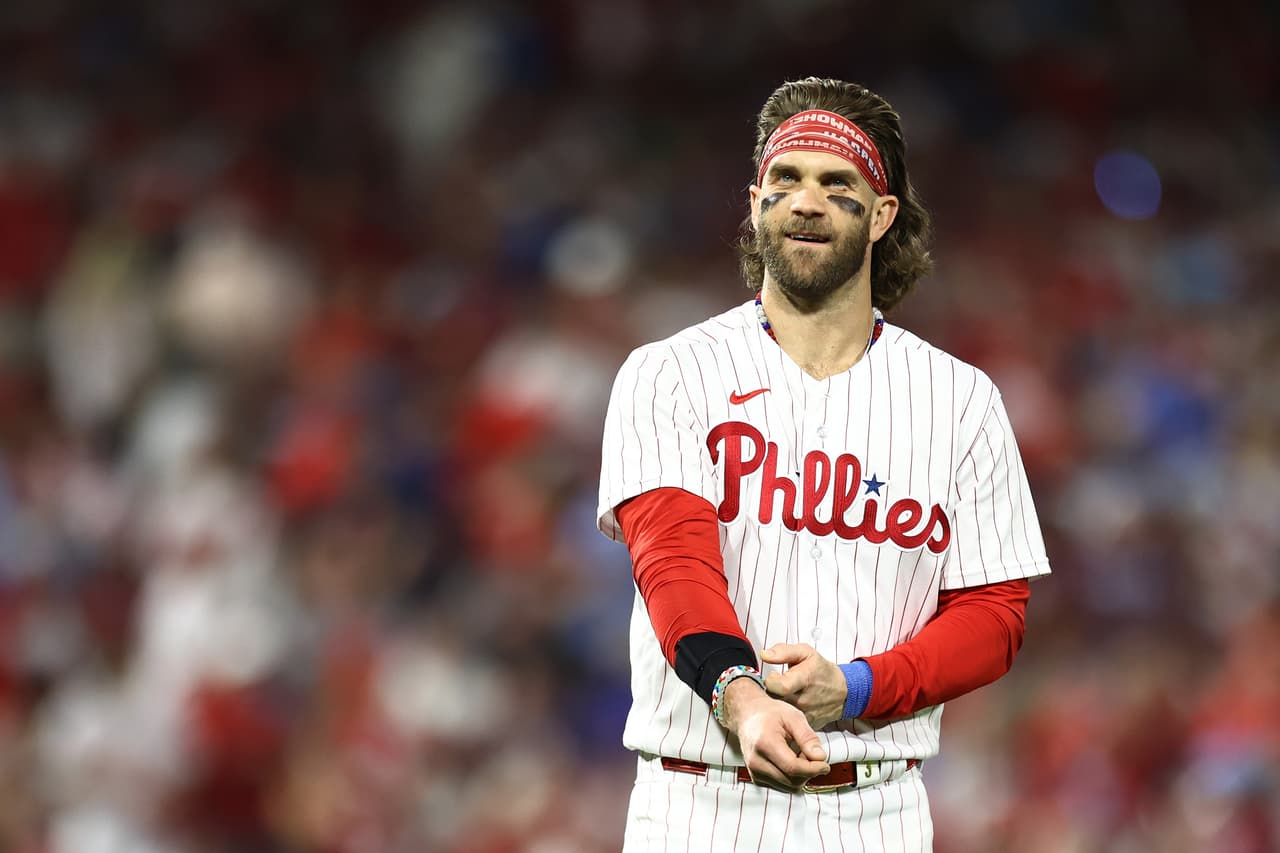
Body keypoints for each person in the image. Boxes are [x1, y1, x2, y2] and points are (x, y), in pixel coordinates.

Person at [597, 77, 1050, 852]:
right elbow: (673, 562)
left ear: (881, 216)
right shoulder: (669, 371)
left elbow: (994, 618)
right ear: (754, 202)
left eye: (836, 183)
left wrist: (858, 687)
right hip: (696, 804)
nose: (805, 201)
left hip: (877, 810)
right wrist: (739, 694)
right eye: (786, 180)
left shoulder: (962, 400)